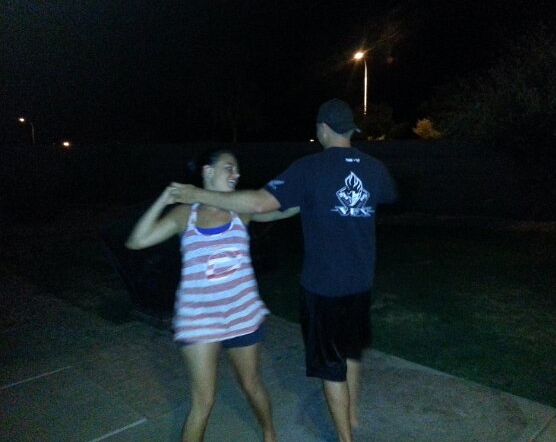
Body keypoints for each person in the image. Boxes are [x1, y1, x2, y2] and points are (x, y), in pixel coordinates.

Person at [169, 99, 397, 442]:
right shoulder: (374, 167)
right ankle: (353, 414)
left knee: (332, 367)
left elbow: (260, 202)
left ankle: (345, 437)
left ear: (322, 129)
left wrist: (199, 194)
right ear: (350, 130)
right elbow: (386, 196)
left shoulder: (309, 168)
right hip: (361, 283)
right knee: (350, 351)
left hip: (324, 288)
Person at [126, 149, 297, 442]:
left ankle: (269, 433)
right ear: (208, 171)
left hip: (242, 313)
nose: (236, 174)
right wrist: (163, 200)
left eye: (237, 170)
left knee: (251, 384)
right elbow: (136, 241)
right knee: (203, 401)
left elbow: (282, 209)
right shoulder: (185, 214)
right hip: (199, 319)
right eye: (229, 167)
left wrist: (315, 194)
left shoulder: (240, 210)